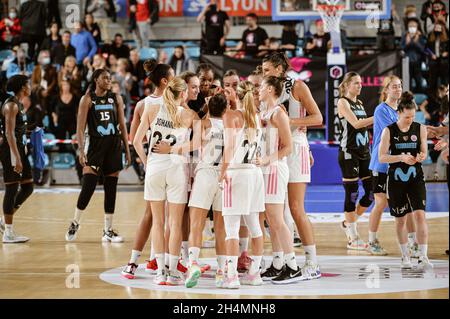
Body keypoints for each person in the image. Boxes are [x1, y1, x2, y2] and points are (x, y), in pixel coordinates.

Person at [132, 77, 200, 285]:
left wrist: (146, 162)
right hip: (177, 168)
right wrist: (174, 149)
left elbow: (136, 141)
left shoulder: (151, 108)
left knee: (158, 222)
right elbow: (196, 143)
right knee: (175, 223)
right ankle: (172, 270)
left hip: (155, 168)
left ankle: (160, 271)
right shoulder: (190, 115)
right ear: (182, 94)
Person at [261, 52, 322, 279]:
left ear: (279, 68)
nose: (263, 73)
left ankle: (312, 263)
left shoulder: (297, 86)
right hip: (275, 149)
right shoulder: (267, 90)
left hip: (295, 147)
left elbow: (317, 118)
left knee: (295, 208)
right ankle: (279, 262)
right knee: (276, 211)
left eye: (267, 69)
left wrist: (289, 122)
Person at [64, 68, 131, 242]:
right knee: (88, 187)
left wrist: (127, 149)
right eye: (105, 78)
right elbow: (79, 128)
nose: (109, 80)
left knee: (111, 189)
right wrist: (80, 149)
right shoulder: (87, 99)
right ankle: (75, 222)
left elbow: (123, 125)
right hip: (94, 146)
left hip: (114, 145)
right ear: (96, 80)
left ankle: (107, 230)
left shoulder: (116, 98)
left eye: (110, 78)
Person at [122, 60, 175, 279]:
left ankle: (135, 262)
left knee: (152, 215)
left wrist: (145, 161)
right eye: (173, 76)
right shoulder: (175, 101)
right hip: (172, 162)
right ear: (165, 80)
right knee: (170, 217)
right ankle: (165, 263)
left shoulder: (143, 104)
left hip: (154, 163)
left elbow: (134, 138)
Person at [379, 91, 433, 270]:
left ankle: (423, 256)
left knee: (420, 215)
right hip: (395, 180)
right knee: (400, 220)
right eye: (407, 116)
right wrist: (401, 157)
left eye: (412, 116)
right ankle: (405, 256)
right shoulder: (389, 130)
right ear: (399, 113)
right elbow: (382, 157)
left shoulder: (420, 128)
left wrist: (421, 156)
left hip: (415, 178)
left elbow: (424, 151)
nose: (410, 119)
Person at [219, 80, 265, 289]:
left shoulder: (231, 115)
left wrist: (222, 172)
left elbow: (229, 148)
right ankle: (255, 274)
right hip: (254, 174)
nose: (222, 92)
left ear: (234, 96)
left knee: (231, 229)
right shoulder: (255, 115)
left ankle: (231, 277)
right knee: (255, 226)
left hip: (236, 174)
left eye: (227, 90)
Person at [257, 76, 304, 283]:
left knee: (277, 218)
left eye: (261, 86)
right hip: (266, 168)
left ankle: (293, 266)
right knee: (271, 219)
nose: (258, 89)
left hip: (275, 168)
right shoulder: (264, 112)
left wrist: (268, 158)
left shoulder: (278, 113)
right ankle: (277, 263)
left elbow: (288, 147)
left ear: (269, 89)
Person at [368, 75, 420, 257]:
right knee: (381, 202)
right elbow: (394, 133)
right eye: (394, 86)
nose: (398, 89)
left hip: (400, 162)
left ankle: (414, 243)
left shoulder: (402, 109)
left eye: (399, 86)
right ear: (386, 89)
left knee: (407, 203)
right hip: (382, 163)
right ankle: (372, 241)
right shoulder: (381, 110)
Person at [184, 93, 228, 288]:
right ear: (225, 109)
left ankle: (193, 262)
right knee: (221, 228)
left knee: (196, 223)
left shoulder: (204, 123)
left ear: (209, 107)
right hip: (223, 176)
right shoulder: (229, 125)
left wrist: (172, 149)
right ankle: (221, 270)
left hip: (205, 174)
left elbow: (193, 145)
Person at [336, 72, 375, 251]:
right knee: (352, 193)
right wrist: (378, 117)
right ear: (347, 85)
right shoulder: (342, 102)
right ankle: (353, 237)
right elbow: (357, 124)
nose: (360, 86)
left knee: (370, 193)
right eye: (356, 83)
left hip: (364, 152)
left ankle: (348, 223)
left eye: (360, 83)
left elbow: (364, 129)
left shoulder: (359, 103)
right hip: (349, 152)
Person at [0, 75, 34, 243]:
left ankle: (5, 219)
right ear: (22, 87)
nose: (30, 86)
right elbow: (8, 133)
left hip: (20, 150)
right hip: (10, 152)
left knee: (28, 187)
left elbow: (18, 130)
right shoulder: (11, 105)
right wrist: (16, 158)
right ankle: (8, 233)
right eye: (28, 84)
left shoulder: (19, 104)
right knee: (12, 189)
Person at [401, 18, 427, 93]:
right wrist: (407, 43)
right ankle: (407, 98)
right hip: (406, 62)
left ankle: (420, 98)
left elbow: (423, 50)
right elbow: (402, 48)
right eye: (410, 26)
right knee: (406, 83)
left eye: (414, 26)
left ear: (417, 26)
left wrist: (416, 42)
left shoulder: (420, 36)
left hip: (417, 62)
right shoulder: (404, 35)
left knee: (419, 81)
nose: (412, 27)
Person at [426, 21, 449, 92]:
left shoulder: (446, 39)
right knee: (432, 81)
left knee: (444, 81)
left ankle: (445, 96)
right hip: (433, 62)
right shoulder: (431, 38)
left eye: (439, 28)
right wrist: (431, 54)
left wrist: (447, 53)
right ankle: (433, 97)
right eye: (436, 27)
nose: (437, 29)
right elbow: (426, 48)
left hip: (443, 62)